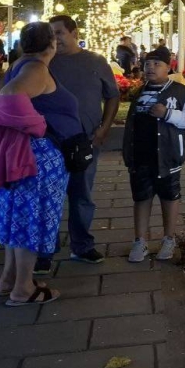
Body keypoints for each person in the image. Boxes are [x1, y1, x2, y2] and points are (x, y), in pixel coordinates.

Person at [0, 22, 83, 307]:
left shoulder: (22, 64)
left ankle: (9, 279)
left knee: (17, 215)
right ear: (50, 44)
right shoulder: (36, 69)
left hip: (23, 155)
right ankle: (23, 288)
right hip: (39, 157)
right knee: (31, 217)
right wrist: (36, 125)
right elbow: (9, 95)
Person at [41, 15, 121, 272]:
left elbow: (112, 97)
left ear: (74, 32)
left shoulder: (95, 61)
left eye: (59, 33)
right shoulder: (44, 63)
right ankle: (45, 249)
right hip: (49, 141)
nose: (55, 40)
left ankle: (82, 245)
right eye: (51, 35)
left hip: (85, 141)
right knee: (49, 196)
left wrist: (104, 128)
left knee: (81, 195)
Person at [124, 47, 185, 263]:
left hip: (168, 156)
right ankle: (140, 240)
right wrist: (128, 152)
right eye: (148, 64)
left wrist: (167, 114)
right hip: (140, 156)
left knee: (169, 197)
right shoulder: (139, 92)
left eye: (157, 64)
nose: (150, 68)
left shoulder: (181, 92)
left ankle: (169, 238)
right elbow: (131, 123)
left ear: (169, 67)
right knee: (141, 197)